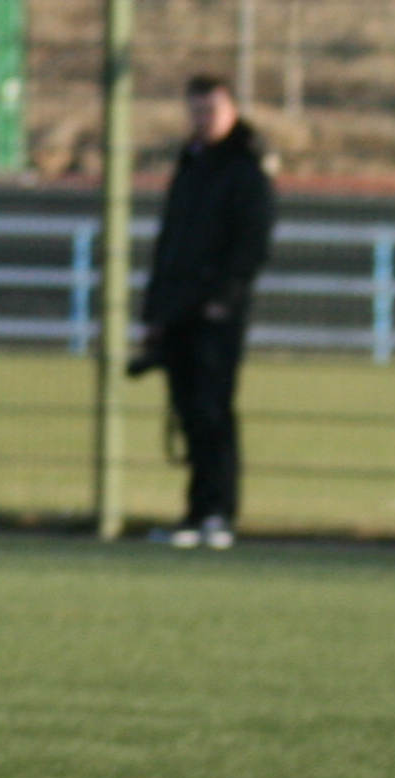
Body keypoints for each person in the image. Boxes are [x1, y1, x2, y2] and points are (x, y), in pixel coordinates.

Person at [133, 72, 274, 550]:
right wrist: (155, 314)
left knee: (212, 412)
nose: (203, 118)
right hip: (177, 310)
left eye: (211, 109)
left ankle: (218, 512)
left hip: (214, 316)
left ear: (232, 110)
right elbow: (170, 243)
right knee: (189, 413)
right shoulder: (191, 165)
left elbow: (252, 241)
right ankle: (197, 512)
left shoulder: (244, 168)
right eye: (196, 109)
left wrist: (223, 299)